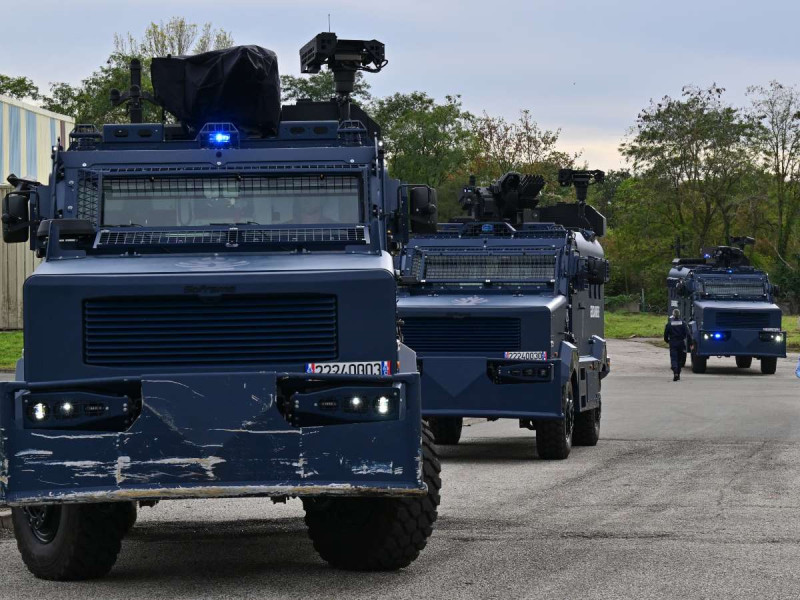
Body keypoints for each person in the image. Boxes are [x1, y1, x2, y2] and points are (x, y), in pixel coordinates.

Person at [664, 309, 689, 381]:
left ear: (673, 315)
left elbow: (665, 334)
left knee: (674, 358)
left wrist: (667, 341)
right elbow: (688, 334)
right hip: (681, 342)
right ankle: (678, 373)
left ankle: (675, 372)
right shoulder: (683, 323)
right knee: (679, 359)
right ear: (679, 315)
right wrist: (690, 343)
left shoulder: (669, 324)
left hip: (673, 343)